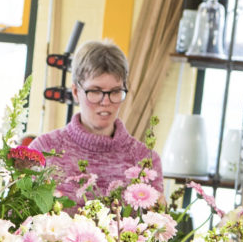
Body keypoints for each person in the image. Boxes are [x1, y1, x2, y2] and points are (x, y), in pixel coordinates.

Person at [30, 40, 163, 207]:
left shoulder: (145, 161)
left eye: (115, 92)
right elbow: (17, 222)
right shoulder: (43, 150)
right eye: (95, 91)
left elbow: (154, 229)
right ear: (76, 92)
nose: (105, 102)